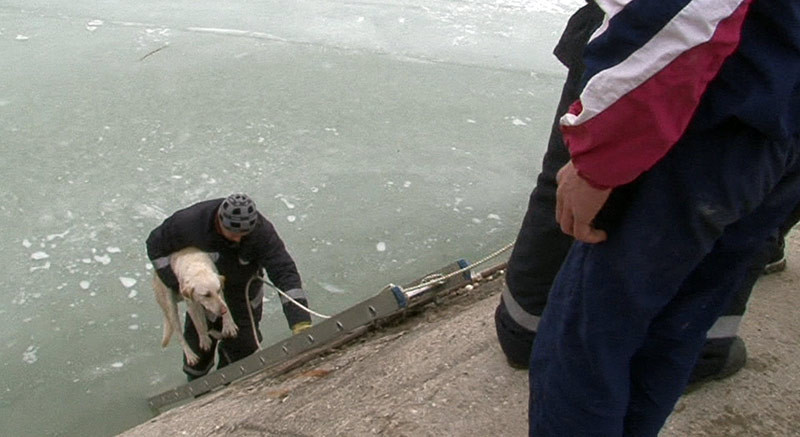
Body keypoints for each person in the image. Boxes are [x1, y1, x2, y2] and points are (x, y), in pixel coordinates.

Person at [523, 0, 800, 435]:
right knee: (675, 327)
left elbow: (681, 17)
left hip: (703, 120)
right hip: (780, 119)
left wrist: (599, 162)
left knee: (588, 344)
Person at [146, 193, 312, 380]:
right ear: (219, 222)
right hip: (206, 291)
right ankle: (196, 384)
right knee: (199, 348)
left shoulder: (262, 233)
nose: (238, 239)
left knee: (244, 344)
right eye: (233, 234)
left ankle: (229, 382)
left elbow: (284, 271)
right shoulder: (190, 223)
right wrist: (175, 283)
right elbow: (155, 245)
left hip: (243, 291)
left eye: (244, 234)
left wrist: (300, 321)